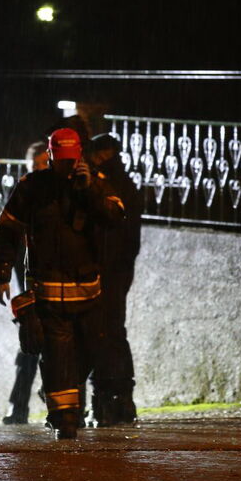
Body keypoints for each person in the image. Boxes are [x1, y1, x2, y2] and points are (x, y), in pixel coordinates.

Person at [0, 128, 124, 439]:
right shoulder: (32, 187)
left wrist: (88, 191)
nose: (66, 165)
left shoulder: (96, 184)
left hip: (87, 292)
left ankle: (60, 397)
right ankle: (63, 418)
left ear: (79, 157)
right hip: (47, 291)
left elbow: (115, 217)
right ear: (50, 156)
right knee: (56, 355)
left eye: (70, 160)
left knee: (90, 353)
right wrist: (2, 273)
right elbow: (7, 229)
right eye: (61, 159)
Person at [85, 132, 144, 425]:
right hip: (118, 270)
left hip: (104, 271)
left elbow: (106, 231)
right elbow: (130, 238)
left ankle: (106, 400)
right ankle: (122, 399)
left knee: (101, 334)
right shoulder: (126, 184)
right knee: (115, 332)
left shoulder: (105, 185)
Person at [1, 140, 49, 425]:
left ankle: (56, 400)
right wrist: (5, 274)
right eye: (34, 166)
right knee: (30, 341)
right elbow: (7, 235)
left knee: (55, 343)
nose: (37, 171)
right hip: (29, 279)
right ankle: (18, 406)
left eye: (42, 165)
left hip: (54, 278)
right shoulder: (22, 193)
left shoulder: (60, 191)